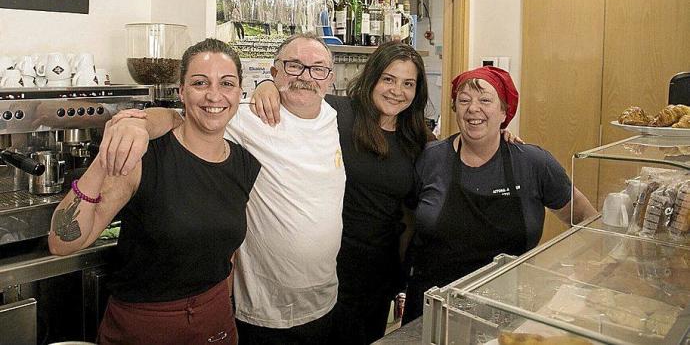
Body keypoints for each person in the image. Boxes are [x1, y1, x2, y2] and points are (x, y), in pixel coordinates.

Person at [98, 33, 346, 345]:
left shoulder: (339, 117)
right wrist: (141, 123)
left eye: (318, 68)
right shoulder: (246, 116)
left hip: (324, 299)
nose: (306, 76)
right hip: (263, 310)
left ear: (330, 79)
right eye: (294, 66)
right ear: (275, 71)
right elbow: (179, 117)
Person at [48, 38, 261, 345]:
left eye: (226, 83)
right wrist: (105, 155)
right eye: (200, 83)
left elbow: (226, 254)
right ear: (181, 92)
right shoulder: (146, 157)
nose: (214, 95)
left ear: (239, 92)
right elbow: (62, 243)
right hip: (143, 326)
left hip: (216, 323)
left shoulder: (242, 162)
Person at [251, 41, 431, 344]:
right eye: (388, 79)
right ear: (372, 77)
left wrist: (504, 135)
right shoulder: (336, 112)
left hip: (377, 271)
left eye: (408, 84)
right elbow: (300, 91)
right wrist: (267, 84)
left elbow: (411, 213)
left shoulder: (418, 139)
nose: (396, 90)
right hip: (326, 267)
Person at [402, 66, 597, 323]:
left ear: (505, 111)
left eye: (485, 100)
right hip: (432, 310)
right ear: (455, 109)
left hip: (508, 312)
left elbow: (587, 218)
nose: (473, 108)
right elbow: (404, 228)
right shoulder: (429, 158)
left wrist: (582, 279)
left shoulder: (532, 163)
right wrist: (400, 289)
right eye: (464, 100)